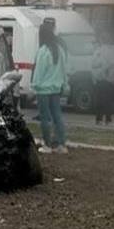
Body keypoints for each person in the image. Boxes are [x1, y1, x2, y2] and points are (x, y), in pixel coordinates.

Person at [31, 20, 69, 154]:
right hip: (56, 89)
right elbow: (64, 70)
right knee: (57, 116)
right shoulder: (59, 50)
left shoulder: (43, 51)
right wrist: (64, 84)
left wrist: (33, 87)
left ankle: (47, 144)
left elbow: (39, 72)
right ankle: (61, 144)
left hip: (43, 90)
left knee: (45, 118)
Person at [90, 30, 114, 125]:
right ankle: (108, 119)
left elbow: (93, 64)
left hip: (99, 78)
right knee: (107, 99)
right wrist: (113, 74)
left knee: (100, 99)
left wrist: (95, 76)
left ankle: (98, 119)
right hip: (107, 79)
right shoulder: (110, 51)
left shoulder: (97, 51)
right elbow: (113, 65)